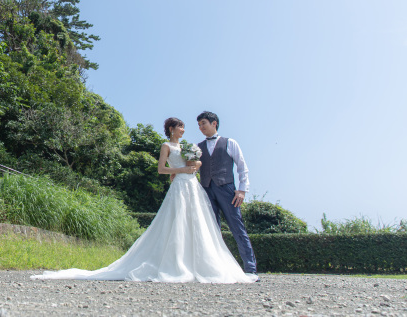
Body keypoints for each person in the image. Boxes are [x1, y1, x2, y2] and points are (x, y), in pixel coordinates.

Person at [31, 117, 257, 283]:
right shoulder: (168, 145)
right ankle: (184, 263)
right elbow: (162, 169)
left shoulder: (202, 145)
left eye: (200, 124)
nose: (191, 128)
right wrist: (182, 170)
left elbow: (223, 166)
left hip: (211, 188)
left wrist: (239, 188)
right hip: (187, 186)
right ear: (171, 129)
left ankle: (246, 268)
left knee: (218, 226)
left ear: (214, 124)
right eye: (184, 126)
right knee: (185, 224)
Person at [196, 111, 257, 275]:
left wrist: (242, 190)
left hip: (227, 190)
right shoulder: (197, 147)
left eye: (203, 123)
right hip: (206, 191)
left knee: (237, 229)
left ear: (214, 123)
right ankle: (215, 270)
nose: (201, 127)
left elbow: (242, 167)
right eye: (199, 125)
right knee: (211, 231)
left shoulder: (230, 143)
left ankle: (250, 269)